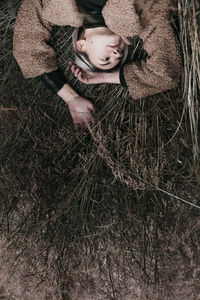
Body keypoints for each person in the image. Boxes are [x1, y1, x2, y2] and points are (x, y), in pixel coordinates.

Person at [13, 0, 182, 131]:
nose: (116, 54)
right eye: (120, 56)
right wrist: (104, 77)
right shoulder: (143, 15)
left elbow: (26, 48)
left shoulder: (55, 8)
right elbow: (165, 74)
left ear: (81, 45)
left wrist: (70, 98)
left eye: (105, 59)